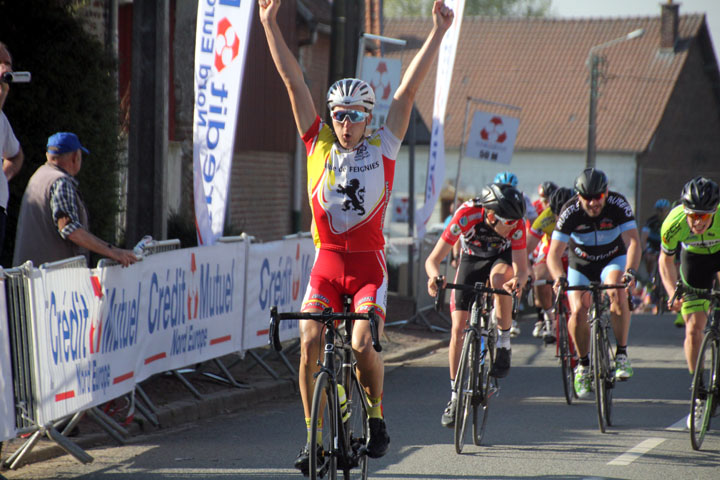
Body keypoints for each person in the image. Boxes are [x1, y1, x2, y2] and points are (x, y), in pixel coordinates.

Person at [258, 0, 454, 472]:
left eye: (355, 116)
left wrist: (437, 34)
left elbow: (406, 94)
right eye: (339, 115)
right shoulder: (317, 143)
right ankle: (312, 437)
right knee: (308, 340)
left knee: (363, 343)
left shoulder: (384, 147)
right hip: (327, 266)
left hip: (368, 267)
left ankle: (377, 416)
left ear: (369, 117)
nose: (345, 124)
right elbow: (293, 81)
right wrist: (269, 24)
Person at [425, 183, 528, 427]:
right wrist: (434, 278)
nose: (515, 226)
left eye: (517, 222)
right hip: (471, 259)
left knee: (500, 280)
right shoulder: (466, 214)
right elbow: (433, 260)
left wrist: (518, 281)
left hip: (500, 260)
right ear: (492, 216)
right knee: (458, 329)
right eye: (510, 222)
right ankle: (453, 396)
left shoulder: (516, 223)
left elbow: (522, 269)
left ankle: (503, 341)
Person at [547, 168, 641, 399]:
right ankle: (583, 365)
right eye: (587, 198)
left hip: (613, 258)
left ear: (606, 193)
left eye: (598, 197)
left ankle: (621, 354)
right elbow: (553, 253)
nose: (593, 203)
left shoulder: (618, 204)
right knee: (578, 311)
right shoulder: (570, 211)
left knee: (617, 292)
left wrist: (630, 272)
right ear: (579, 196)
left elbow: (633, 242)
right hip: (581, 263)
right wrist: (559, 277)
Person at [13, 132, 137, 267]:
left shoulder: (39, 176)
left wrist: (112, 249)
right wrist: (113, 253)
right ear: (75, 157)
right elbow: (70, 229)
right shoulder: (61, 182)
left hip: (32, 275)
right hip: (52, 279)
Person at [658, 177, 720, 426]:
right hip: (693, 262)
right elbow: (665, 261)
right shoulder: (673, 223)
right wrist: (673, 291)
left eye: (703, 217)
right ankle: (700, 392)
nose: (697, 222)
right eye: (692, 216)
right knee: (694, 329)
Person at [526, 186, 573, 342]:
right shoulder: (544, 218)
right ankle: (549, 318)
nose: (560, 217)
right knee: (539, 276)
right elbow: (525, 249)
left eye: (564, 213)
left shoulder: (582, 214)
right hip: (551, 252)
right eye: (556, 214)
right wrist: (527, 271)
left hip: (575, 253)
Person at [0, 42, 24, 253]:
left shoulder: (2, 120)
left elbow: (16, 156)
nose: (5, 70)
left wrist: (3, 177)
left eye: (8, 64)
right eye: (0, 63)